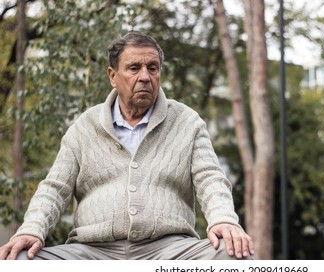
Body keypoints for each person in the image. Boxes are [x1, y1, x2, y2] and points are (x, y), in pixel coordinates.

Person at [0, 32, 254, 260]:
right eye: (134, 68)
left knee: (232, 256)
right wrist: (32, 229)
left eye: (152, 68)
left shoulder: (188, 121)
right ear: (113, 76)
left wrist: (223, 220)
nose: (145, 76)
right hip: (91, 252)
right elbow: (54, 189)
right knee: (19, 261)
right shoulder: (84, 125)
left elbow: (210, 178)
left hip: (170, 251)